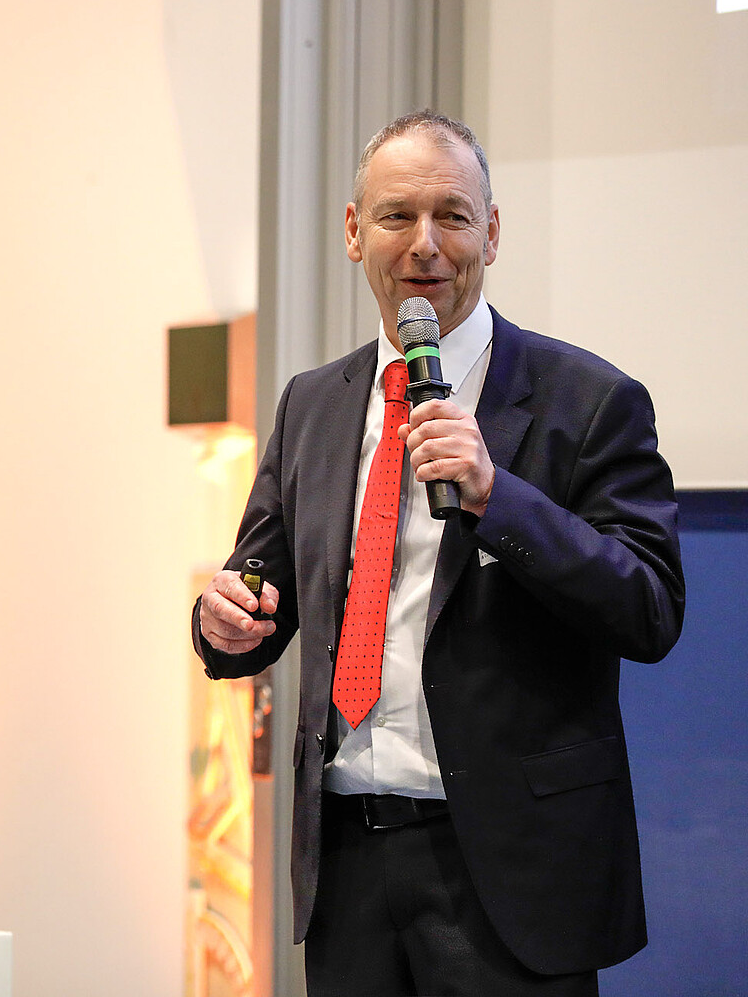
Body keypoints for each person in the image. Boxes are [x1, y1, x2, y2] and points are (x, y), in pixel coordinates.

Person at [192, 110, 684, 996]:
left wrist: (500, 498)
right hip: (346, 865)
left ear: (491, 233)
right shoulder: (313, 404)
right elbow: (260, 585)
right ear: (355, 233)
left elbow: (649, 607)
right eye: (397, 216)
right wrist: (222, 622)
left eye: (452, 216)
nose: (425, 243)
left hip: (510, 871)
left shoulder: (588, 400)